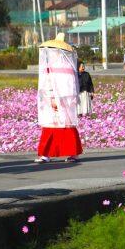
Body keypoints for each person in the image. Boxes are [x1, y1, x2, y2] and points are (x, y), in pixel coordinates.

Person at [35, 33, 83, 163]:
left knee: (67, 125)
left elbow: (70, 85)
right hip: (50, 97)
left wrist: (59, 99)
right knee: (49, 126)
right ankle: (46, 154)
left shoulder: (67, 66)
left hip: (64, 98)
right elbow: (46, 83)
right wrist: (50, 97)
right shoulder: (49, 66)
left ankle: (73, 153)